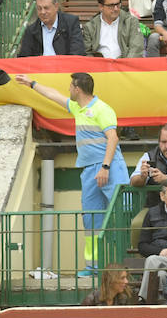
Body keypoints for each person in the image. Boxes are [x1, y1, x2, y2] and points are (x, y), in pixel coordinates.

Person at [16, 72, 125, 275]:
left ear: (78, 89)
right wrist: (32, 83)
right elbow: (52, 95)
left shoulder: (102, 109)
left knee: (121, 213)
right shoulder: (77, 106)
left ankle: (118, 267)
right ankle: (93, 267)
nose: (68, 89)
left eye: (70, 86)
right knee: (91, 221)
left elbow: (113, 138)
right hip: (89, 171)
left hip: (109, 168)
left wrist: (105, 167)